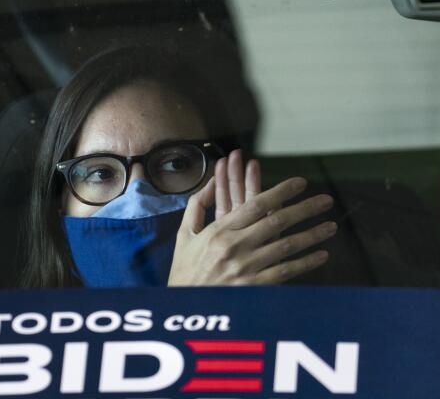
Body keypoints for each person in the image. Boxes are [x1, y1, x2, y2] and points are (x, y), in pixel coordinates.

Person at [23, 46, 336, 288]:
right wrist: (187, 307)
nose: (138, 198)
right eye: (101, 173)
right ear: (58, 204)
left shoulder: (313, 326)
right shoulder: (12, 349)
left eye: (175, 164)